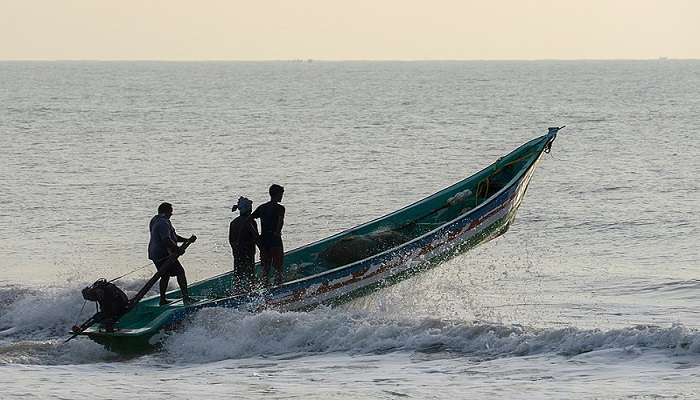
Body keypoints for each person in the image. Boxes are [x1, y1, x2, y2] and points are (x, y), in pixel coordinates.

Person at [148, 202, 196, 305]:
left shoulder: (155, 219)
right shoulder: (163, 223)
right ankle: (186, 298)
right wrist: (177, 249)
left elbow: (172, 237)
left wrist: (186, 240)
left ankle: (162, 299)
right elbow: (166, 240)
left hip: (155, 254)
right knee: (180, 272)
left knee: (165, 275)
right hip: (163, 255)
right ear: (165, 212)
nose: (171, 214)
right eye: (170, 212)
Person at [251, 184, 285, 286]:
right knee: (278, 267)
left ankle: (265, 288)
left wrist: (256, 236)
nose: (281, 197)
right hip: (275, 239)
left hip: (264, 239)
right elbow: (280, 222)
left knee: (266, 268)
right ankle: (279, 286)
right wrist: (277, 232)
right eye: (281, 194)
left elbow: (249, 219)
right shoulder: (280, 208)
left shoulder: (262, 207)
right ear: (277, 194)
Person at [229, 196, 259, 292]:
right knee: (250, 274)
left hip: (237, 253)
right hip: (248, 253)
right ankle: (251, 291)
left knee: (238, 275)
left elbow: (231, 240)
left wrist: (236, 249)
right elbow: (256, 238)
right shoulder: (251, 221)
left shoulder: (233, 223)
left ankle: (237, 291)